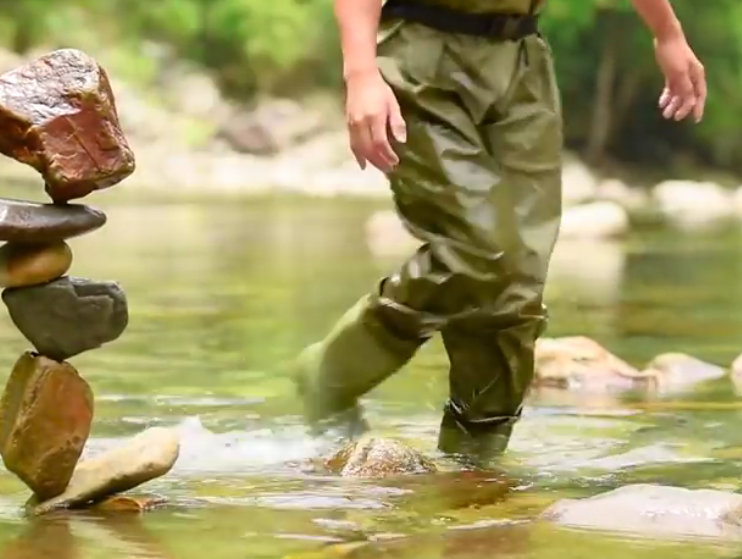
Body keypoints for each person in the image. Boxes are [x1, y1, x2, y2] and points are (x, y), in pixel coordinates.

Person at [291, 0, 707, 463]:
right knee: (481, 248)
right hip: (421, 52)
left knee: (520, 275)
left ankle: (474, 460)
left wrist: (667, 33)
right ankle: (331, 374)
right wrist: (361, 73)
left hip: (522, 60)